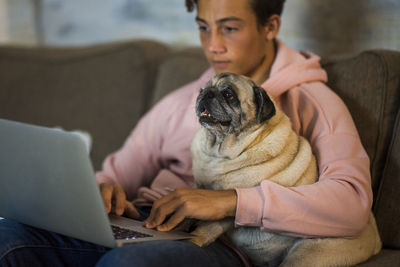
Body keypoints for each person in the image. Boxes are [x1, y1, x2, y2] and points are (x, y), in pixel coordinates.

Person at [0, 0, 373, 266]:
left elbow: (352, 203)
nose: (213, 44)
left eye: (229, 27)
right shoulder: (182, 100)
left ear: (270, 26)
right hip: (147, 220)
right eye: (203, 27)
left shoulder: (312, 101)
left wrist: (232, 201)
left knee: (128, 262)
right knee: (9, 237)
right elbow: (117, 173)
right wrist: (101, 190)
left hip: (220, 239)